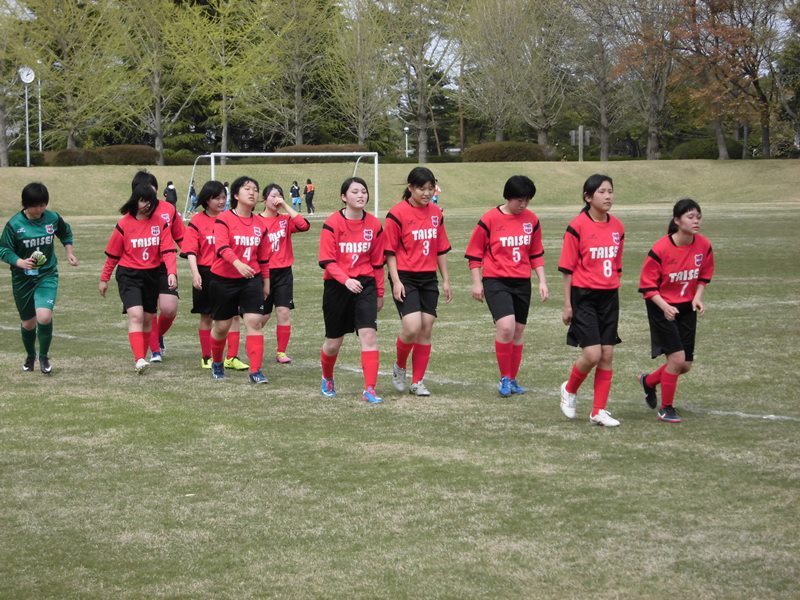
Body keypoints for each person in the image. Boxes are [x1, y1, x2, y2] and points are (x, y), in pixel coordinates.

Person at [465, 175, 548, 397]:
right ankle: (504, 378)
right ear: (508, 197)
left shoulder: (532, 220)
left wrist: (542, 281)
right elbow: (475, 254)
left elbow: (536, 253)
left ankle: (512, 378)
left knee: (518, 331)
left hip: (522, 282)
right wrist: (476, 282)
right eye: (519, 200)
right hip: (496, 280)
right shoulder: (490, 219)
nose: (523, 204)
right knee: (506, 327)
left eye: (527, 200)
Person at [638, 198, 715, 423]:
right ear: (677, 220)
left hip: (686, 306)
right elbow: (647, 287)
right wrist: (665, 306)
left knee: (686, 365)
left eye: (698, 216)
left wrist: (698, 297)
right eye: (690, 217)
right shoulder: (660, 249)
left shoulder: (704, 245)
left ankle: (649, 381)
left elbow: (703, 276)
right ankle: (666, 408)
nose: (696, 221)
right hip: (660, 306)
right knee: (677, 358)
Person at [558, 174, 624, 427]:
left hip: (609, 296)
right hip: (584, 296)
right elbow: (567, 269)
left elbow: (616, 264)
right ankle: (569, 388)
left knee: (607, 354)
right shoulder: (577, 226)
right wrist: (568, 304)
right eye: (602, 192)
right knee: (593, 354)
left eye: (610, 191)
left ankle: (598, 410)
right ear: (588, 197)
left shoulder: (618, 226)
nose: (608, 196)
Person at [385, 167, 452, 397]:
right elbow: (390, 252)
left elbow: (441, 249)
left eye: (430, 188)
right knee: (412, 326)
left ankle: (418, 382)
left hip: (428, 277)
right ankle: (399, 367)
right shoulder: (397, 214)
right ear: (410, 188)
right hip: (405, 276)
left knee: (426, 328)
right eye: (422, 188)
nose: (426, 192)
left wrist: (445, 280)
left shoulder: (436, 212)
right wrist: (395, 281)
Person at [318, 176, 385, 403]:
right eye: (355, 192)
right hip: (337, 287)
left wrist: (380, 292)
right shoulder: (332, 223)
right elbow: (327, 260)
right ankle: (327, 377)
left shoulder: (375, 224)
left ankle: (370, 389)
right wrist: (345, 280)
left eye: (363, 191)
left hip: (365, 285)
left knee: (369, 335)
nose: (360, 195)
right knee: (333, 342)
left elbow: (377, 263)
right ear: (343, 197)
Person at [0, 182, 79, 374]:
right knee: (29, 323)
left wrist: (69, 252)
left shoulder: (52, 218)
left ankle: (44, 357)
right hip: (22, 279)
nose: (39, 209)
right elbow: (3, 249)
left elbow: (65, 232)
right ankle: (30, 355)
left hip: (46, 275)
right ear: (25, 204)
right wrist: (19, 262)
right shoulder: (14, 225)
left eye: (43, 205)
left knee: (44, 317)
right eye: (35, 205)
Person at [99, 183, 178, 373]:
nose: (147, 205)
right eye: (143, 200)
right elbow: (113, 255)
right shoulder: (124, 224)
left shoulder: (160, 222)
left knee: (149, 318)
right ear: (135, 200)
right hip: (129, 275)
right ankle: (140, 359)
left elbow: (168, 250)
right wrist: (104, 278)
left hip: (152, 275)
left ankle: (141, 358)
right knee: (136, 315)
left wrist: (171, 272)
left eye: (150, 201)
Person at [208, 176, 272, 384]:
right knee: (222, 327)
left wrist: (266, 281)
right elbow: (221, 246)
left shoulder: (261, 224)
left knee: (254, 322)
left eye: (255, 189)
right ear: (236, 195)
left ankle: (256, 371)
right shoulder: (224, 219)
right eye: (247, 189)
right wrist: (237, 264)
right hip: (223, 279)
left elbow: (263, 257)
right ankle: (217, 362)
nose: (252, 192)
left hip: (251, 279)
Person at [181, 180, 249, 372]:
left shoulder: (230, 218)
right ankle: (206, 356)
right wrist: (195, 274)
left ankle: (232, 357)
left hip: (228, 273)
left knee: (234, 316)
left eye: (223, 197)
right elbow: (191, 251)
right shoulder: (197, 221)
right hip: (205, 272)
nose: (221, 201)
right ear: (206, 199)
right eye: (216, 198)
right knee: (207, 316)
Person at [130, 171, 185, 364]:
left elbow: (181, 236)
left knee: (169, 309)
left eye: (151, 186)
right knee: (149, 310)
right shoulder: (132, 213)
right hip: (143, 268)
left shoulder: (168, 209)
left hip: (165, 265)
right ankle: (154, 350)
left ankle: (157, 336)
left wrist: (194, 254)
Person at [258, 183, 311, 364]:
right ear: (264, 199)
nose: (276, 199)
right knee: (261, 317)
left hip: (283, 274)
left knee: (283, 312)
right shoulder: (256, 220)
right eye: (272, 196)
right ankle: (251, 344)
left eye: (279, 195)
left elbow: (304, 226)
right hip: (263, 273)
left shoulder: (285, 220)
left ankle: (281, 352)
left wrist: (286, 206)